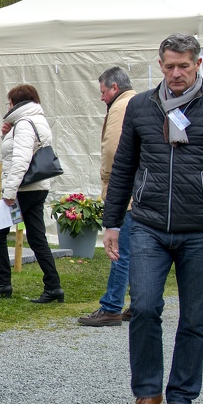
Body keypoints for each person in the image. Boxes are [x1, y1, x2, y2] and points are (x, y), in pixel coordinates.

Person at [101, 34, 203, 404]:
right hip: (149, 225)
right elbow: (123, 168)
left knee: (194, 318)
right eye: (168, 65)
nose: (175, 73)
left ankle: (182, 398)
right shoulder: (140, 106)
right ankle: (147, 391)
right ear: (160, 64)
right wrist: (113, 222)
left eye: (183, 66)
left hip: (202, 230)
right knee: (145, 308)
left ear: (198, 64)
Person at [0, 84, 63, 303]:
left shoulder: (24, 123)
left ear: (16, 103)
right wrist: (5, 134)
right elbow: (16, 150)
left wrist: (9, 191)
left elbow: (21, 159)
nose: (8, 106)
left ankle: (2, 283)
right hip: (36, 187)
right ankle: (53, 286)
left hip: (23, 189)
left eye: (9, 102)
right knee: (37, 237)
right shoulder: (35, 120)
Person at [79, 67, 136, 327]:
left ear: (114, 88)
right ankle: (140, 303)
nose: (101, 97)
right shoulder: (138, 102)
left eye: (103, 92)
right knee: (135, 250)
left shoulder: (121, 107)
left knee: (118, 249)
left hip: (124, 190)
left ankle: (112, 306)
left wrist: (108, 179)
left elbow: (113, 148)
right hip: (138, 188)